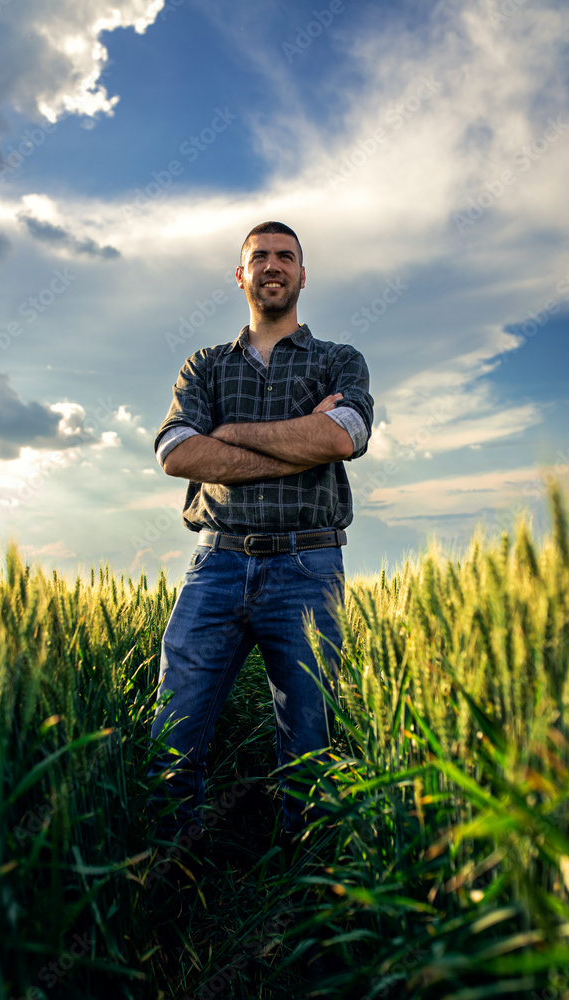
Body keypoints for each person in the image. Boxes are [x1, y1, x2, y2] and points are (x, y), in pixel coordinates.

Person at [149, 221, 373, 860]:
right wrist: (302, 436)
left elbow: (343, 438)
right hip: (216, 563)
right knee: (172, 734)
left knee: (310, 744)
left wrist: (229, 432)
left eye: (286, 257)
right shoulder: (205, 364)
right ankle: (167, 873)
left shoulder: (339, 359)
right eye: (260, 258)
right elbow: (175, 453)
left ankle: (301, 891)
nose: (273, 266)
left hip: (308, 563)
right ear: (240, 275)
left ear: (303, 274)